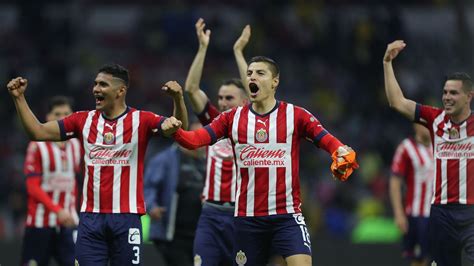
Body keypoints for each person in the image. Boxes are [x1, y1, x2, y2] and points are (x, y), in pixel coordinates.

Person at [162, 56, 359, 266]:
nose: (252, 77)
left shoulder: (296, 115)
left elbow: (327, 140)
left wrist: (339, 150)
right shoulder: (231, 118)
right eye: (249, 73)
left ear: (275, 82)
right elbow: (195, 140)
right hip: (248, 219)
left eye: (260, 73)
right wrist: (177, 132)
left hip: (287, 216)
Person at [7, 63, 187, 265]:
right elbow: (37, 132)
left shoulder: (141, 120)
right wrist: (19, 98)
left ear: (120, 91)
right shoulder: (82, 120)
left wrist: (178, 100)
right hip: (90, 220)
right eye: (95, 84)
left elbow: (178, 130)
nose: (96, 89)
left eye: (103, 84)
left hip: (126, 218)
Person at [383, 40, 474, 266]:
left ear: (469, 96)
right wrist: (387, 63)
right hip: (441, 213)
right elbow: (397, 102)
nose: (447, 97)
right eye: (445, 92)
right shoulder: (435, 119)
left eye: (454, 93)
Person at [184, 18, 249, 266]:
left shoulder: (251, 125)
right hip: (210, 214)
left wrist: (238, 52)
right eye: (220, 97)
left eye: (229, 98)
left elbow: (255, 91)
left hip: (240, 215)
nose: (222, 102)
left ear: (244, 101)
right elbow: (191, 88)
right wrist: (202, 47)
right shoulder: (214, 120)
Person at [20, 96, 81, 266]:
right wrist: (57, 210)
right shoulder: (37, 146)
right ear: (48, 117)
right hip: (40, 223)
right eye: (57, 114)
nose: (61, 118)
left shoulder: (76, 145)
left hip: (69, 223)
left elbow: (73, 182)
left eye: (66, 113)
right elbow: (33, 188)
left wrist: (72, 210)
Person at [144, 121, 206, 266]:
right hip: (172, 235)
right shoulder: (166, 159)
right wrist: (152, 206)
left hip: (200, 235)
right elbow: (149, 187)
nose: (201, 141)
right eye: (196, 135)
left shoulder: (209, 161)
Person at [389, 123, 434, 266]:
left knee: (437, 258)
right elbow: (395, 182)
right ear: (416, 126)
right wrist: (398, 213)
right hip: (416, 215)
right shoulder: (406, 148)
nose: (430, 127)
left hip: (438, 214)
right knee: (418, 260)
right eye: (425, 124)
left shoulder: (440, 146)